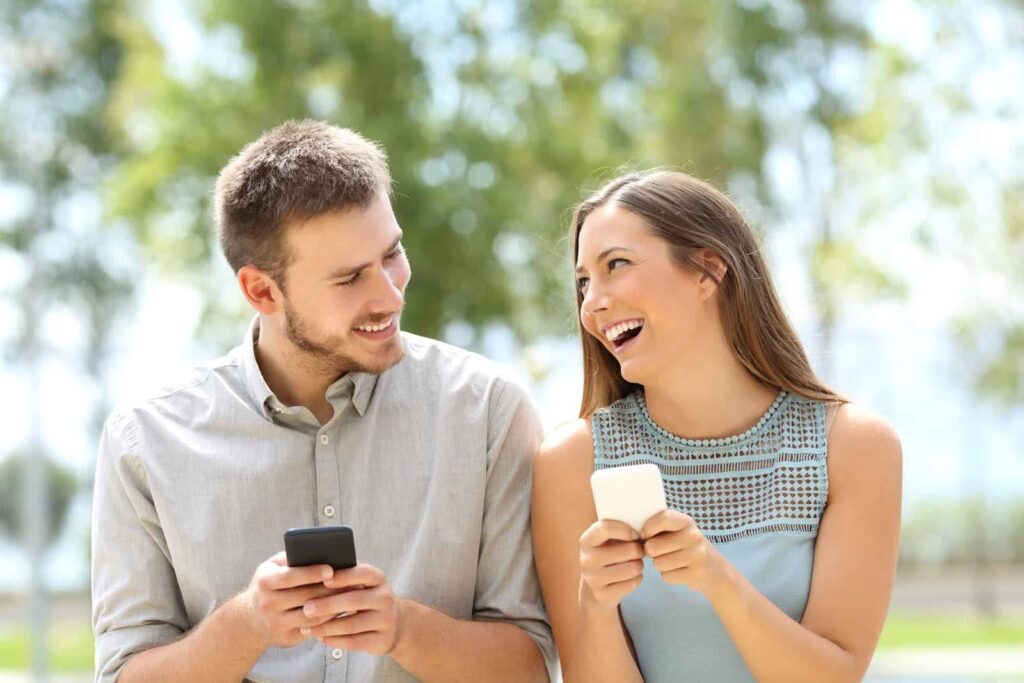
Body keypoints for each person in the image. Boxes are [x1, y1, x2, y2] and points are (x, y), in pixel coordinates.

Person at [91, 120, 555, 683]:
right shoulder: (145, 441)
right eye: (349, 278)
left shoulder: (487, 411)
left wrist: (402, 629)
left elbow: (530, 666)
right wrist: (244, 624)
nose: (389, 294)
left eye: (392, 253)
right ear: (261, 291)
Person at [531, 170, 902, 682]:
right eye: (583, 281)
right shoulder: (572, 461)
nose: (592, 302)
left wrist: (717, 580)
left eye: (616, 264)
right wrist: (594, 608)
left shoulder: (854, 447)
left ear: (708, 270)